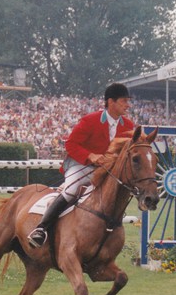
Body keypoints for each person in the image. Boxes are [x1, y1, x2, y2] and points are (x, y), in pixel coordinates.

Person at [27, 83, 135, 247]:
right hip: (80, 164)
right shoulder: (90, 120)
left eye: (128, 101)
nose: (128, 105)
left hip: (106, 169)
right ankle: (42, 229)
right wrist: (90, 156)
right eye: (124, 101)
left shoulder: (128, 126)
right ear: (111, 102)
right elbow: (71, 144)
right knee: (71, 190)